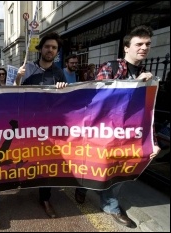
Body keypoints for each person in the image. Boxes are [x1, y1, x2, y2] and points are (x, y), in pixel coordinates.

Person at [75, 25, 161, 228]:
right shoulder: (110, 68)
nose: (144, 48)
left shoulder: (147, 76)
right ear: (126, 48)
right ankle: (82, 188)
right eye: (138, 44)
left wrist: (152, 141)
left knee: (120, 170)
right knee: (95, 166)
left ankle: (111, 206)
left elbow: (147, 113)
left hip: (127, 135)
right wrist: (134, 86)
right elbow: (101, 100)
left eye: (147, 44)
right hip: (103, 133)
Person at [15, 32, 68, 218]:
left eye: (54, 48)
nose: (50, 50)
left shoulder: (59, 72)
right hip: (27, 125)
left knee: (47, 162)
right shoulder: (27, 68)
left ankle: (45, 198)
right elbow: (14, 94)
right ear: (40, 48)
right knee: (24, 158)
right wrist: (17, 79)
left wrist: (63, 90)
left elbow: (64, 101)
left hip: (48, 127)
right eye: (47, 46)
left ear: (57, 52)